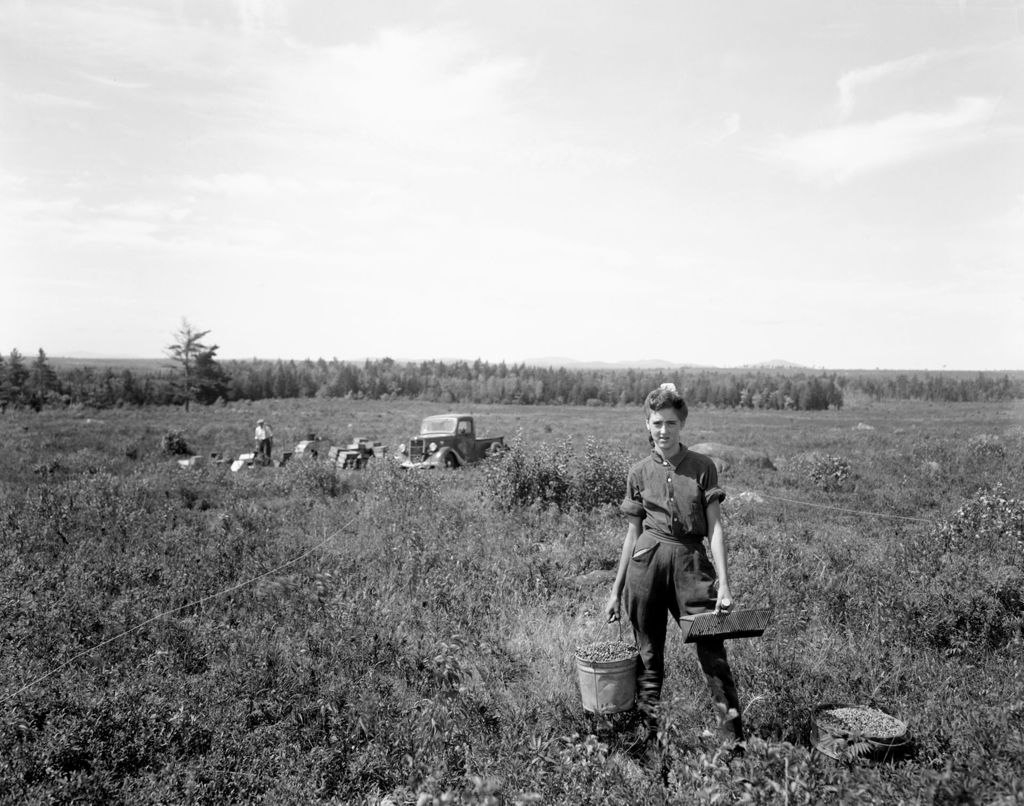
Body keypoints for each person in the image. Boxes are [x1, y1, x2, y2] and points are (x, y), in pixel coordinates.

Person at [605, 383, 745, 762]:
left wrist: (725, 585)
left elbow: (715, 528)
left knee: (712, 654)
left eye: (670, 422)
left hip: (691, 568)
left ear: (682, 424)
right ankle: (651, 743)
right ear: (647, 425)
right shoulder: (638, 472)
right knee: (648, 658)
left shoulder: (702, 467)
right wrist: (616, 591)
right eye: (656, 423)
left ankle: (733, 744)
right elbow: (632, 534)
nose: (663, 430)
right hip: (645, 568)